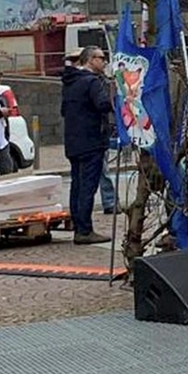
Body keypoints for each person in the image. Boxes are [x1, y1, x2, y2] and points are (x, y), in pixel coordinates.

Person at [60, 46, 113, 244]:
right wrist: (117, 99)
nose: (104, 61)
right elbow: (102, 104)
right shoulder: (92, 82)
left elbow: (64, 110)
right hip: (91, 140)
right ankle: (84, 230)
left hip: (73, 141)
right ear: (90, 59)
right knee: (87, 187)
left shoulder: (70, 81)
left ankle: (78, 225)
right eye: (101, 58)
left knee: (77, 185)